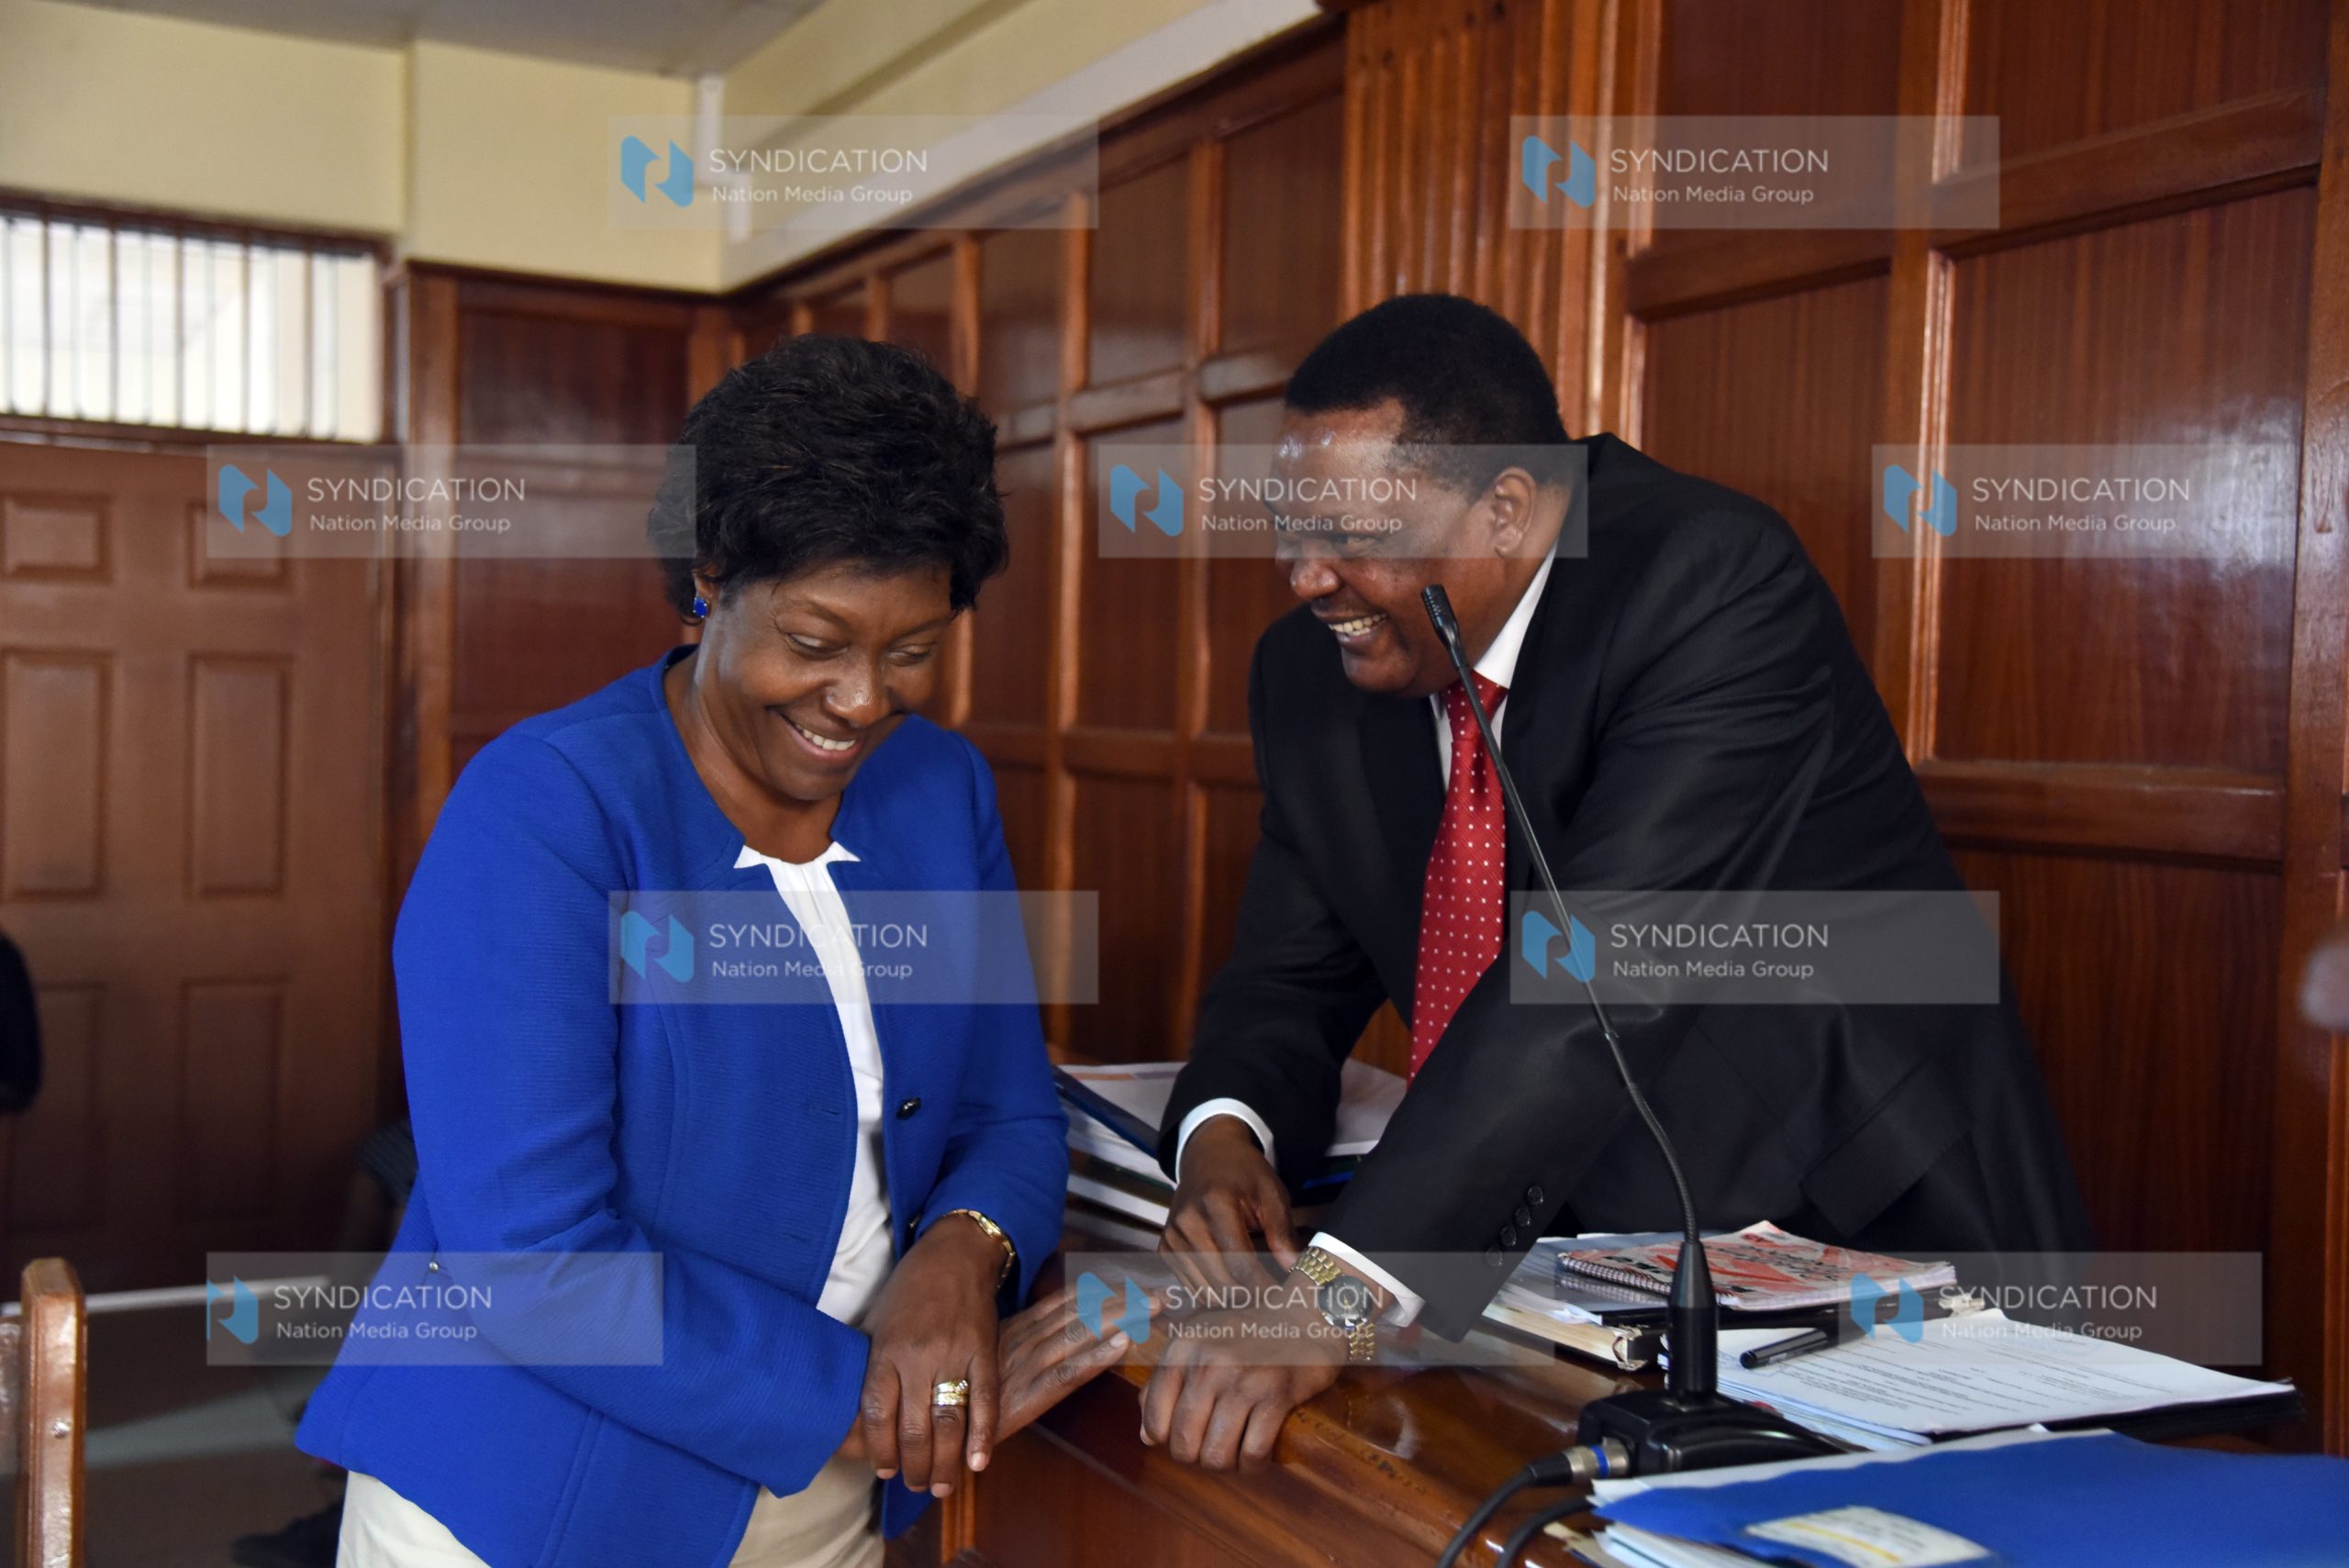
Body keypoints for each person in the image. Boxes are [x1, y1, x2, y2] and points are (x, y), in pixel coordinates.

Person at [1140, 294, 2093, 1468]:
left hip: (1849, 1229)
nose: (1303, 577)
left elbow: (1587, 983)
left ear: (1503, 509)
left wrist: (1336, 1297)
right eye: (1289, 528)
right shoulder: (1314, 670)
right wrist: (1224, 1137)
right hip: (1557, 1258)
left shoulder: (1709, 580)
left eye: (1350, 533)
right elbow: (1284, 973)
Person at [297, 335, 1124, 1566]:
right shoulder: (545, 812)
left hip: (832, 1507)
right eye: (816, 639)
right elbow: (534, 1261)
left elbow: (1011, 1117)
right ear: (710, 575)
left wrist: (967, 1251)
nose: (860, 699)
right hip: (539, 1504)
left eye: (911, 650)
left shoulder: (939, 792)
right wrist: (865, 1386)